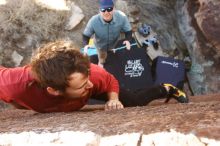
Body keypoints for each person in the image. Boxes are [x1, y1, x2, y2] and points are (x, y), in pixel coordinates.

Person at [0, 41, 188, 113]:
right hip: (63, 96)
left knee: (134, 100)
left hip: (79, 94)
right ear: (53, 90)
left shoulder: (92, 77)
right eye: (83, 83)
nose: (89, 84)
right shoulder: (13, 84)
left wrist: (113, 99)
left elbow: (109, 81)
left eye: (87, 77)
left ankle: (166, 88)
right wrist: (19, 103)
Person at [83, 0, 132, 67]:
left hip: (114, 43)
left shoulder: (122, 17)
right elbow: (86, 35)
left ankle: (112, 52)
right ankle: (101, 62)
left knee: (113, 53)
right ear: (99, 10)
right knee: (102, 56)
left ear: (114, 8)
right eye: (103, 9)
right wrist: (86, 45)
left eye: (109, 9)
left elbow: (128, 30)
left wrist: (128, 40)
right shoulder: (93, 21)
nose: (106, 12)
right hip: (100, 46)